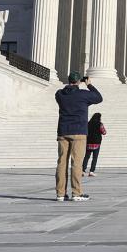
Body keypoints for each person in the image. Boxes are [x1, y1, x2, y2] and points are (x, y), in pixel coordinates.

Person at [55, 72, 103, 202]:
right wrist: (89, 85)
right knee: (77, 163)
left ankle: (60, 194)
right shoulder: (83, 95)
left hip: (63, 132)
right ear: (79, 81)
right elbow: (99, 98)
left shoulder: (60, 94)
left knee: (61, 163)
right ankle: (76, 193)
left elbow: (65, 92)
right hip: (79, 132)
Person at [82, 112, 106, 177]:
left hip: (89, 143)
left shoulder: (88, 124)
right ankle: (91, 171)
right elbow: (104, 132)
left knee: (86, 157)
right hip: (96, 143)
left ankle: (83, 170)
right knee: (95, 158)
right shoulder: (100, 124)